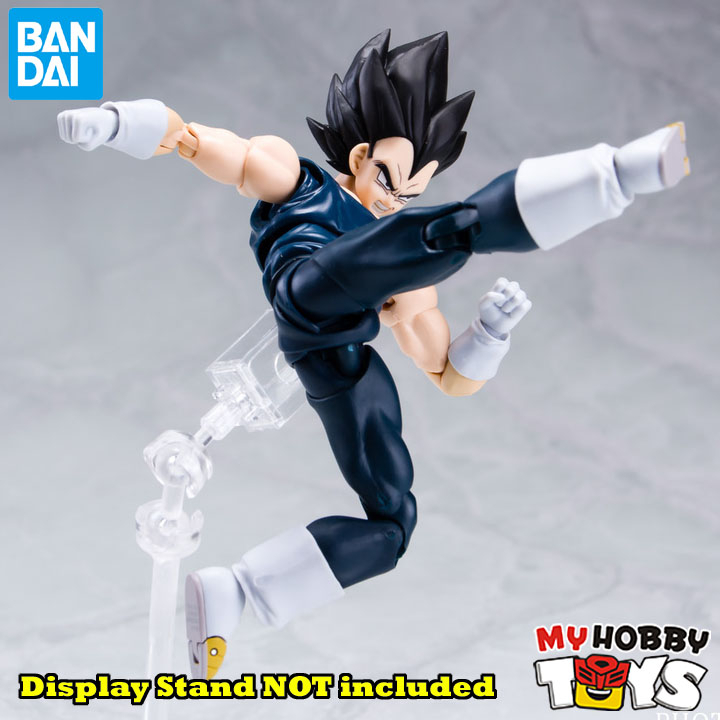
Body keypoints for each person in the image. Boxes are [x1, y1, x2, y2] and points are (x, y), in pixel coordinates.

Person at [58, 30, 689, 679]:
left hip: (336, 361)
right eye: (389, 177)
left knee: (393, 524)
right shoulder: (302, 182)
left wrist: (490, 335)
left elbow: (448, 375)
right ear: (360, 156)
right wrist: (117, 124)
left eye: (410, 192)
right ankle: (616, 175)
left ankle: (237, 591)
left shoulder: (404, 265)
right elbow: (196, 141)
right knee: (454, 230)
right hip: (308, 293)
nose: (393, 198)